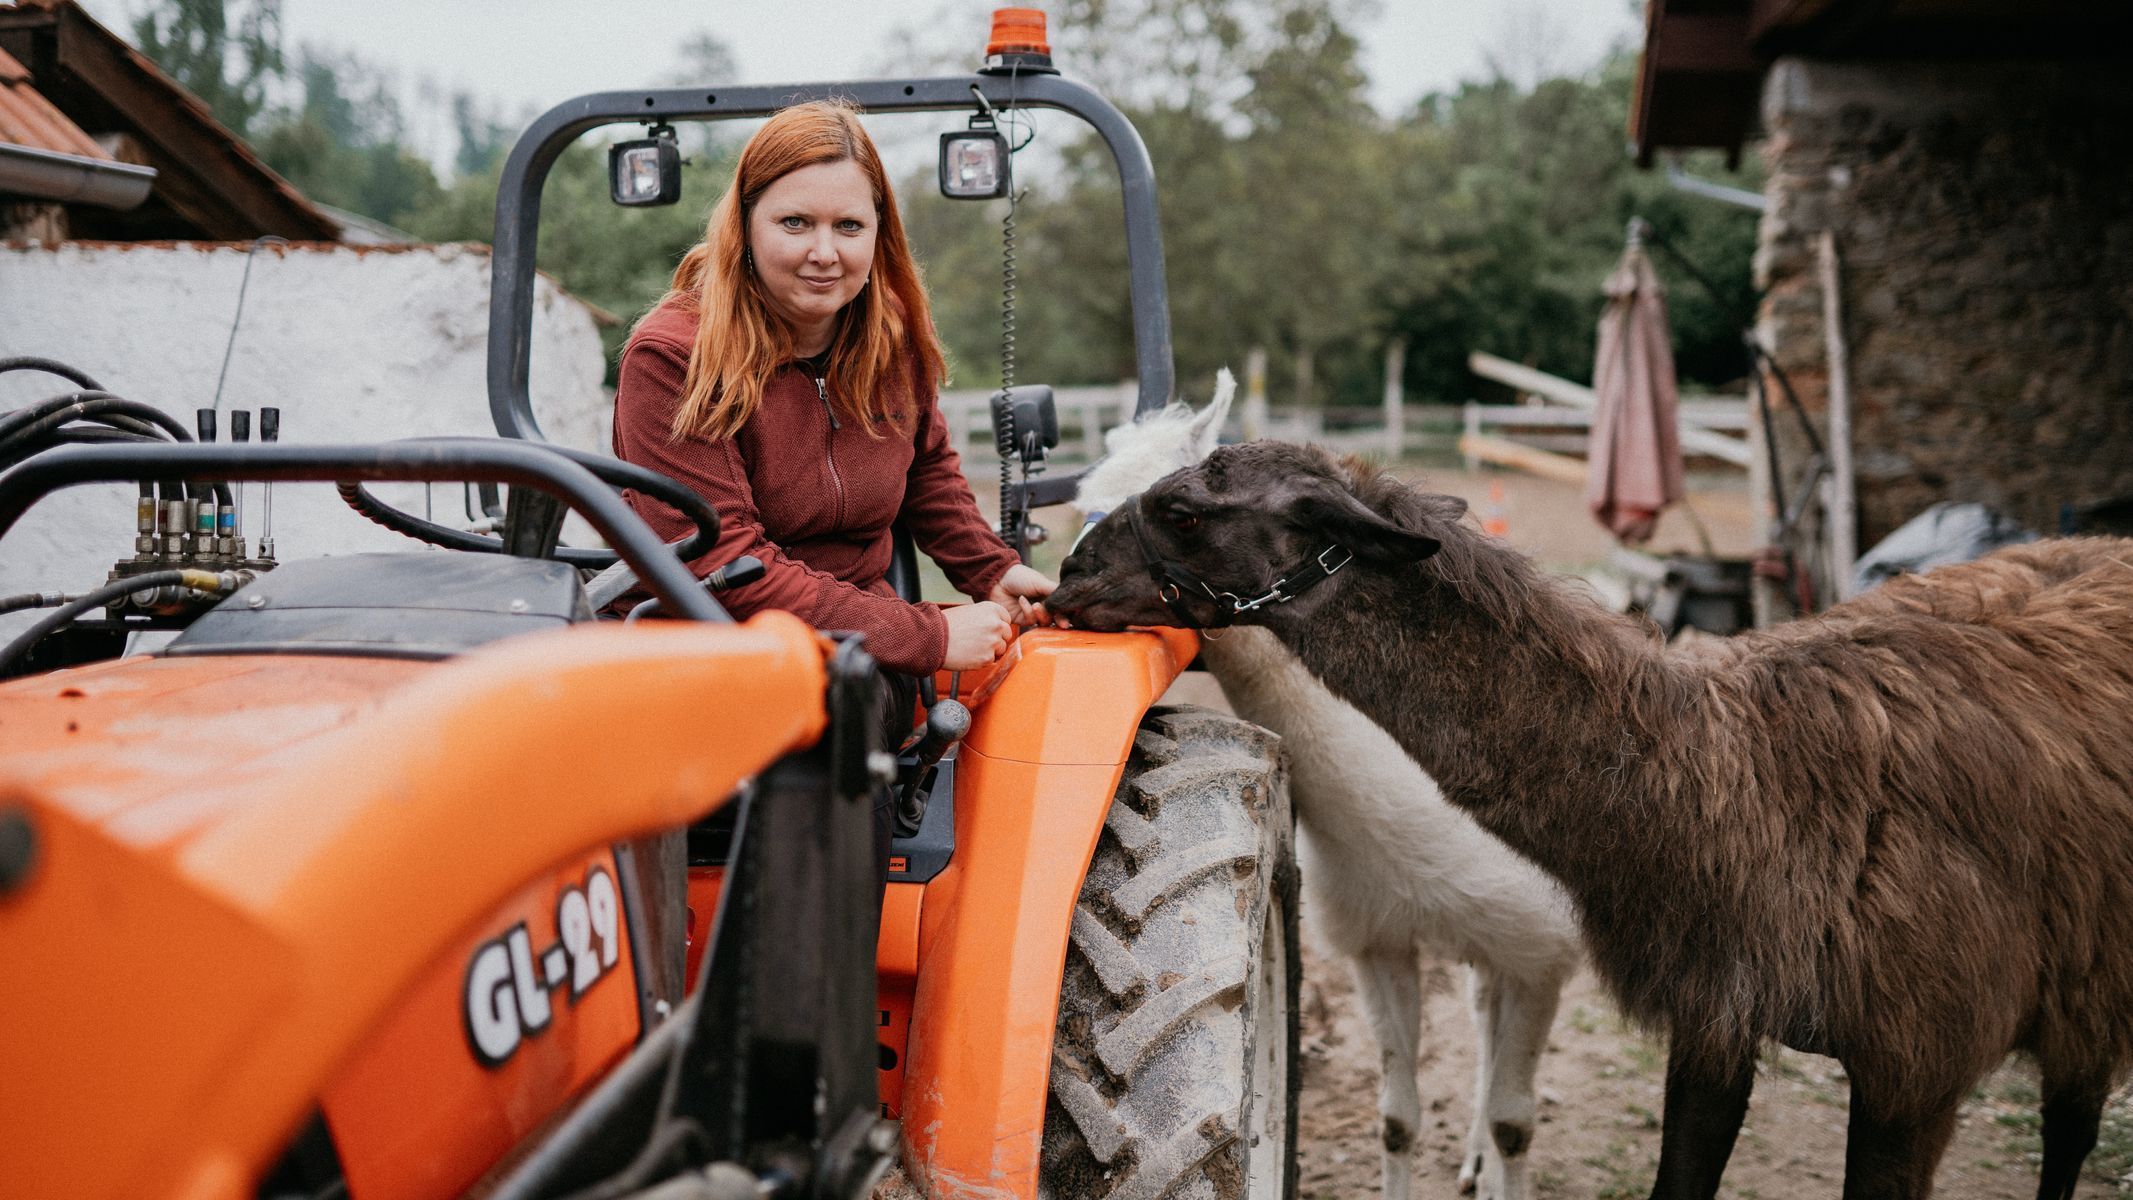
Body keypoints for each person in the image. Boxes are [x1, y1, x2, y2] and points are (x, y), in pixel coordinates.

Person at [612, 98, 1052, 704]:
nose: (825, 253)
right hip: (710, 641)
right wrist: (924, 633)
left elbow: (925, 470)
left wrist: (992, 571)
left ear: (878, 231)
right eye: (795, 223)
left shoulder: (891, 337)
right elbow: (725, 567)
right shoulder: (673, 358)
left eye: (849, 226)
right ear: (744, 226)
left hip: (858, 646)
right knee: (817, 719)